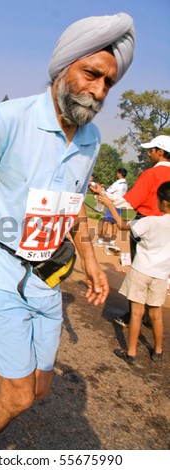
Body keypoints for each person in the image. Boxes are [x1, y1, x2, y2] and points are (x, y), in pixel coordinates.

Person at [0, 13, 134, 450]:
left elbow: (73, 210)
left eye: (108, 83)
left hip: (47, 275)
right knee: (20, 394)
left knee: (40, 388)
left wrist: (90, 263)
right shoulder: (11, 118)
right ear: (64, 67)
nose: (99, 91)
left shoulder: (92, 138)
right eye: (91, 74)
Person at [91, 135, 170, 327]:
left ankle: (134, 315)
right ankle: (153, 317)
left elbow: (128, 201)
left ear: (160, 152)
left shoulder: (151, 174)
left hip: (146, 225)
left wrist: (103, 195)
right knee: (161, 272)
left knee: (140, 269)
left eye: (151, 150)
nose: (149, 153)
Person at [98, 182, 170, 364]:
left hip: (141, 270)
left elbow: (122, 225)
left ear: (161, 201)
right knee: (156, 314)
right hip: (161, 275)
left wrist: (109, 205)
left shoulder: (151, 221)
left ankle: (131, 353)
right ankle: (158, 351)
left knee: (136, 313)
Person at [94, 168, 128, 246]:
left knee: (105, 221)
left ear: (119, 174)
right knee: (115, 222)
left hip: (114, 204)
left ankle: (101, 240)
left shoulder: (117, 183)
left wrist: (101, 188)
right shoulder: (125, 185)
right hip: (121, 204)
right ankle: (112, 241)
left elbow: (108, 192)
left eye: (117, 173)